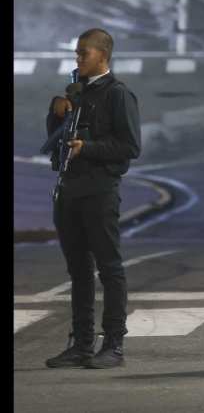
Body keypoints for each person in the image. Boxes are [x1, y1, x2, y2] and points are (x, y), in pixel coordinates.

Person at [44, 28, 141, 369]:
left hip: (100, 191)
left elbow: (130, 147)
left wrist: (88, 148)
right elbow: (58, 140)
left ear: (103, 55)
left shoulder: (118, 94)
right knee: (79, 271)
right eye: (77, 52)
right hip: (69, 190)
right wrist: (55, 113)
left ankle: (114, 344)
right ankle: (82, 344)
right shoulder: (76, 91)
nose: (78, 58)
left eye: (84, 52)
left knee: (109, 268)